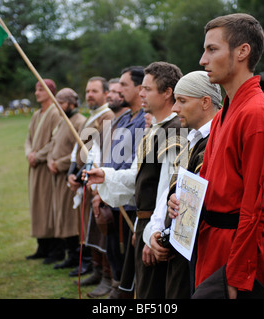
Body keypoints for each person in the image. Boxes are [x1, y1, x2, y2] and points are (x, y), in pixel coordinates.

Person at [195, 13, 264, 299]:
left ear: (242, 51)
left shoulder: (257, 115)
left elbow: (255, 206)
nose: (202, 60)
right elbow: (208, 181)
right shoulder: (225, 112)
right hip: (214, 244)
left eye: (212, 49)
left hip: (243, 255)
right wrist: (182, 201)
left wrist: (237, 274)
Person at [85, 62, 184, 299]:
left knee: (155, 293)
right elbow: (139, 178)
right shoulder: (155, 130)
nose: (141, 93)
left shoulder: (174, 130)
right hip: (145, 227)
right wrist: (106, 175)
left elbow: (167, 192)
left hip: (158, 234)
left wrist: (153, 233)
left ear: (167, 92)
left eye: (147, 89)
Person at [156, 70, 222, 299]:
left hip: (201, 246)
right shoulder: (195, 138)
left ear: (205, 102)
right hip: (183, 246)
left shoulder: (215, 139)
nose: (174, 108)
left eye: (182, 101)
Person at [93, 69, 146, 299]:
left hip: (133, 199)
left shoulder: (146, 120)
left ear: (139, 87)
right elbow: (110, 156)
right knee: (114, 247)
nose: (118, 90)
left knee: (131, 253)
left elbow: (137, 164)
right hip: (112, 193)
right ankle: (117, 287)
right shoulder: (123, 118)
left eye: (123, 85)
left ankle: (127, 292)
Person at [66, 77, 114, 289]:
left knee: (99, 229)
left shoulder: (107, 116)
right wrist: (73, 172)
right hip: (85, 178)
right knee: (88, 227)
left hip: (96, 179)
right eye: (87, 91)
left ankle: (106, 275)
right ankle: (95, 270)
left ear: (105, 94)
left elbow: (100, 153)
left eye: (94, 91)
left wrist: (83, 175)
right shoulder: (92, 116)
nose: (89, 95)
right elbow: (80, 149)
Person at [47, 88, 87, 267]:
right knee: (62, 215)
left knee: (71, 218)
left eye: (62, 103)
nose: (59, 107)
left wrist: (60, 164)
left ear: (72, 103)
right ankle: (67, 253)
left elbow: (79, 152)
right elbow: (53, 144)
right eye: (57, 103)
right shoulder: (63, 121)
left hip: (70, 176)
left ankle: (75, 256)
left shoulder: (80, 122)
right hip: (57, 177)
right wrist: (50, 160)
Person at [24, 79, 62, 262]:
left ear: (49, 91)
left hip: (47, 167)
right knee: (37, 205)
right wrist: (29, 153)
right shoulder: (36, 114)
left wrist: (38, 156)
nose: (36, 93)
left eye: (40, 89)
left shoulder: (56, 113)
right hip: (35, 169)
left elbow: (56, 141)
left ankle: (55, 249)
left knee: (48, 206)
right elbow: (28, 139)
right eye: (35, 89)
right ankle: (42, 246)